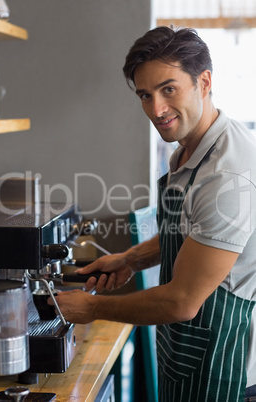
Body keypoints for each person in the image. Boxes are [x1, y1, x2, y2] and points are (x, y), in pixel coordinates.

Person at [49, 26, 256, 401]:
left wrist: (93, 307)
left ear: (204, 82)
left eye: (169, 89)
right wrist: (130, 258)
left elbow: (182, 301)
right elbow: (190, 233)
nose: (156, 110)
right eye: (145, 95)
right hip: (187, 352)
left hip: (225, 368)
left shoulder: (228, 174)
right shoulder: (188, 150)